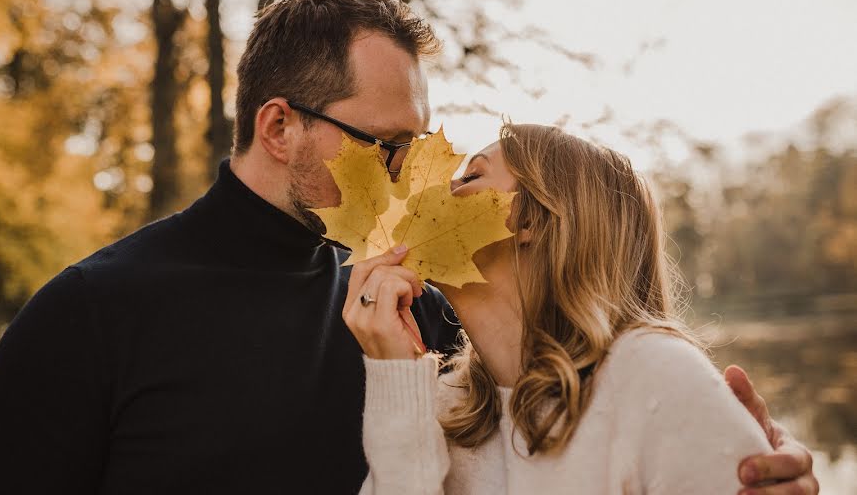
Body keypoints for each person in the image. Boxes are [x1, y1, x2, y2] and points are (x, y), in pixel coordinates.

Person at [0, 0, 815, 494]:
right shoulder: (89, 316)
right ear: (279, 125)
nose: (416, 176)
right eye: (389, 146)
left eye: (429, 146)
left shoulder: (422, 323)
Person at [345, 124, 822, 495]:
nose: (436, 191)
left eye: (470, 176)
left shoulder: (654, 376)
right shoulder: (451, 408)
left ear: (534, 219)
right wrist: (396, 377)